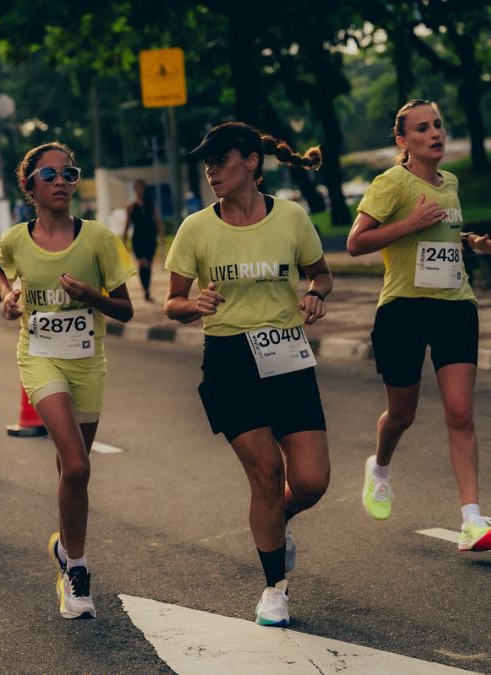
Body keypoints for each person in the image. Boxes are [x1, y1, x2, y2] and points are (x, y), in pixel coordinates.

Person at [164, 122, 332, 628]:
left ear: (252, 162)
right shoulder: (196, 228)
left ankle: (277, 521)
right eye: (207, 163)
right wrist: (194, 305)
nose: (211, 171)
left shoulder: (291, 218)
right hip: (230, 359)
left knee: (311, 481)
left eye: (220, 160)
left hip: (286, 356)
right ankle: (274, 588)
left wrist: (315, 294)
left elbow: (321, 273)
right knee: (266, 475)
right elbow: (172, 302)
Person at [346, 99, 491, 553]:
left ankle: (471, 520)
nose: (435, 133)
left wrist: (471, 241)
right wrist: (410, 223)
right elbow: (356, 243)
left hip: (455, 305)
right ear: (403, 140)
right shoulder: (391, 184)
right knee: (402, 414)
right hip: (404, 310)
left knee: (461, 412)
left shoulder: (449, 182)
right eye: (422, 128)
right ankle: (379, 468)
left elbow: (442, 234)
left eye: (437, 125)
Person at [0, 142, 135, 620]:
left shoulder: (99, 239)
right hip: (39, 358)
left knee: (72, 469)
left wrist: (92, 295)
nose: (60, 182)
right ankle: (76, 569)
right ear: (28, 185)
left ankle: (64, 542)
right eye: (49, 175)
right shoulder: (16, 239)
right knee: (75, 466)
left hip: (87, 362)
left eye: (69, 174)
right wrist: (6, 295)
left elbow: (126, 310)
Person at [123, 180, 165, 303]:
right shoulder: (131, 207)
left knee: (148, 264)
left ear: (144, 189)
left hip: (150, 238)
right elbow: (127, 224)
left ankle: (147, 289)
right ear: (134, 190)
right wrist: (124, 239)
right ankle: (146, 290)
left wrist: (162, 235)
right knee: (142, 264)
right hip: (138, 239)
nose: (139, 190)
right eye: (136, 188)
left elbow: (158, 220)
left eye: (140, 187)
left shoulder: (151, 204)